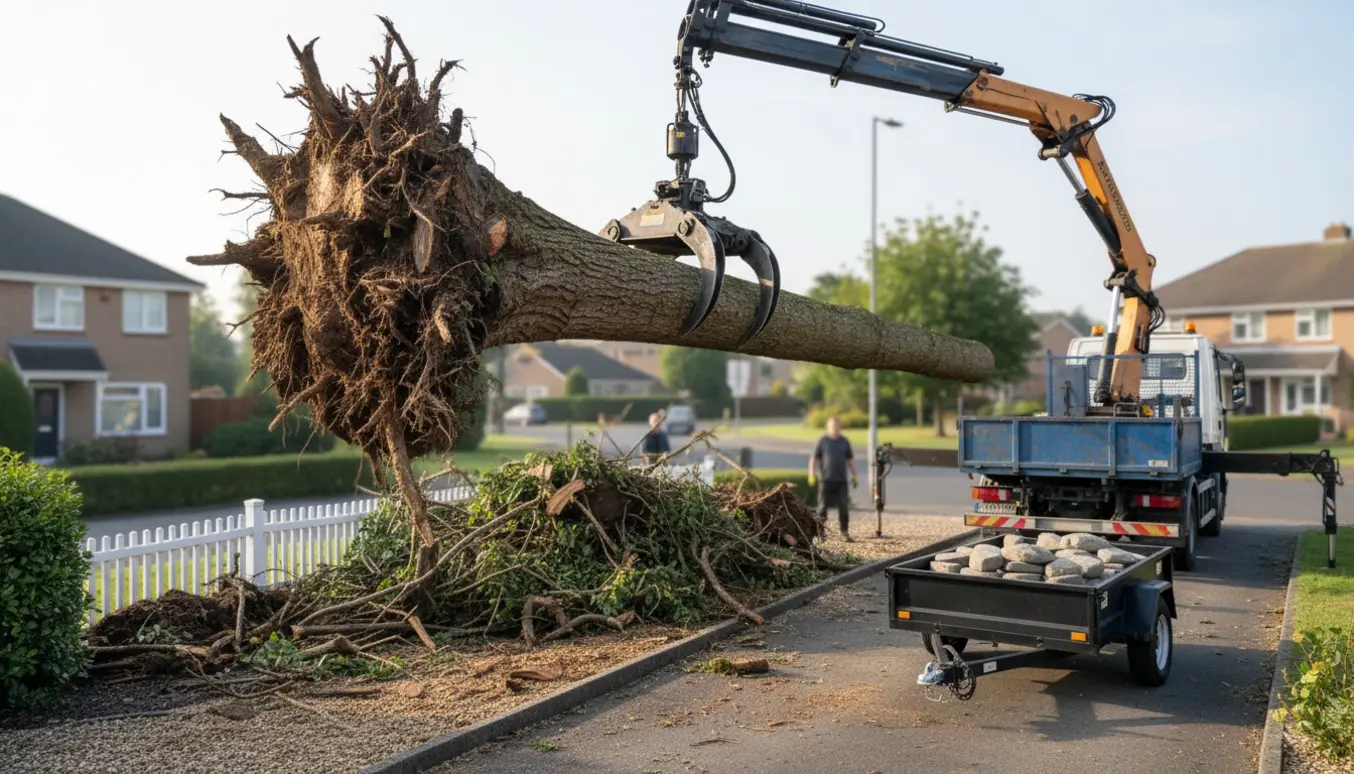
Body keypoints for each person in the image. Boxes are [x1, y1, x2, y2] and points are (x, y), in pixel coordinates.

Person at [808, 416, 858, 541]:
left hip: (841, 481)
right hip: (826, 480)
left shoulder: (844, 441)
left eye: (836, 426)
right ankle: (821, 533)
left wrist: (854, 475)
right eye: (832, 426)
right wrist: (811, 474)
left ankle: (844, 532)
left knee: (843, 508)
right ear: (828, 427)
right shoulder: (823, 441)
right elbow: (814, 459)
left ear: (840, 427)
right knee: (822, 508)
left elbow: (850, 459)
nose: (834, 428)